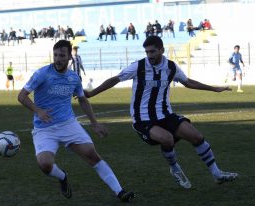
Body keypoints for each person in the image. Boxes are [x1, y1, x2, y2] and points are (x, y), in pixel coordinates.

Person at [84, 36, 238, 189]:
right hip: (142, 119)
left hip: (166, 115)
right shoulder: (138, 66)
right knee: (167, 139)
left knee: (196, 137)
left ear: (161, 50)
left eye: (153, 51)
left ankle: (216, 173)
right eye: (147, 52)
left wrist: (214, 89)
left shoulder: (171, 67)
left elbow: (188, 82)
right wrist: (92, 93)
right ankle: (175, 168)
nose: (150, 55)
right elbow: (115, 79)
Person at [17, 40, 134, 202]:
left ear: (69, 57)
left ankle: (120, 192)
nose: (58, 59)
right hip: (44, 128)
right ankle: (62, 176)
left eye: (62, 55)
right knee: (45, 165)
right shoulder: (42, 74)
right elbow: (21, 96)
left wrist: (95, 123)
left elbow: (83, 100)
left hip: (68, 125)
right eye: (56, 55)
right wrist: (38, 111)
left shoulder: (74, 78)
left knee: (92, 155)